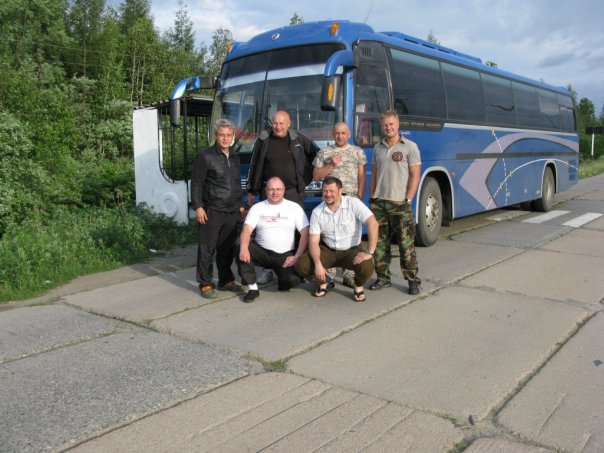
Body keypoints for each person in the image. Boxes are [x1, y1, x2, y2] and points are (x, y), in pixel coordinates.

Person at [246, 110, 319, 284]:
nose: (278, 127)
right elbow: (254, 165)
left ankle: (298, 266)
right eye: (275, 123)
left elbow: (317, 155)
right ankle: (267, 269)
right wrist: (251, 190)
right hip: (268, 191)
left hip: (293, 191)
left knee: (298, 230)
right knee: (267, 228)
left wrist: (306, 175)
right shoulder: (263, 140)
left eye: (282, 123)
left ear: (289, 123)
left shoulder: (299, 139)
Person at [295, 177, 378, 302]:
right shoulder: (317, 212)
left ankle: (358, 286)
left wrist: (369, 252)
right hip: (327, 250)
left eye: (332, 191)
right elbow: (313, 241)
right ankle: (324, 281)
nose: (328, 195)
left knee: (367, 265)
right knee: (301, 266)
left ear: (340, 191)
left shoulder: (353, 203)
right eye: (325, 191)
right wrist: (318, 265)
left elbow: (373, 224)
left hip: (351, 250)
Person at [190, 119, 245, 299]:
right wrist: (198, 207)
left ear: (232, 136)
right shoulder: (205, 157)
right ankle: (205, 283)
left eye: (229, 135)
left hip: (231, 210)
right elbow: (197, 183)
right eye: (222, 135)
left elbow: (236, 183)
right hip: (211, 209)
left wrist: (241, 204)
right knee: (207, 248)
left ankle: (225, 280)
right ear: (216, 136)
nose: (225, 138)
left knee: (226, 248)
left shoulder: (235, 157)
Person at [368, 110, 422, 295]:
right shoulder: (378, 147)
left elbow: (415, 175)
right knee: (379, 244)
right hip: (379, 203)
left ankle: (413, 280)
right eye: (385, 125)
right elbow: (374, 174)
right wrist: (372, 197)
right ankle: (383, 278)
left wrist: (408, 199)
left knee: (406, 244)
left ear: (397, 124)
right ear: (382, 127)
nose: (388, 127)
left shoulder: (410, 147)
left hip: (399, 203)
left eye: (391, 124)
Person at [237, 177, 309, 302]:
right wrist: (243, 248)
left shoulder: (294, 207)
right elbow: (246, 230)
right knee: (240, 245)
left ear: (283, 190)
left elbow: (305, 233)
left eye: (278, 189)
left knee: (291, 282)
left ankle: (281, 276)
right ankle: (252, 288)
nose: (275, 193)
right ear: (266, 190)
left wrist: (296, 257)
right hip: (262, 252)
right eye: (271, 189)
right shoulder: (258, 208)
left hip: (285, 256)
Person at [313, 122, 367, 288]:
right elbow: (316, 176)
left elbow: (362, 175)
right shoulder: (325, 152)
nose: (340, 136)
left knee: (351, 236)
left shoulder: (357, 151)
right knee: (330, 236)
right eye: (337, 133)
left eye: (343, 133)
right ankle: (329, 273)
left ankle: (350, 274)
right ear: (332, 134)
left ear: (349, 134)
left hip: (351, 199)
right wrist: (331, 165)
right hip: (331, 200)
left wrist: (359, 195)